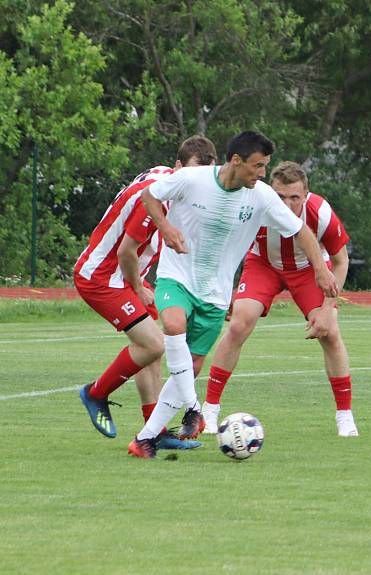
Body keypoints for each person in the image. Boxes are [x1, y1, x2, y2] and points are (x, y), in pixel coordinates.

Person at [127, 130, 338, 458]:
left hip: (215, 293)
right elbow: (150, 196)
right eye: (257, 165)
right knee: (173, 325)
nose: (262, 173)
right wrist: (166, 229)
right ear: (236, 161)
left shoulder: (262, 196)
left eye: (265, 166)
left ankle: (144, 439)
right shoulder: (192, 179)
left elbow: (301, 232)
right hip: (176, 276)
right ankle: (194, 408)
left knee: (193, 365)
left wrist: (321, 270)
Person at [75, 135, 218, 450]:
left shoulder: (167, 179)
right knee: (153, 345)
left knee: (153, 351)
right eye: (192, 175)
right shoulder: (157, 197)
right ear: (178, 166)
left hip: (123, 276)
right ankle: (96, 393)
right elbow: (127, 251)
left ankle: (155, 431)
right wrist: (139, 289)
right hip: (103, 277)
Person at [200, 161, 358, 437]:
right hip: (263, 265)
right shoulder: (253, 205)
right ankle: (209, 409)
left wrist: (327, 307)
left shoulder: (320, 212)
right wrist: (225, 289)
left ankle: (345, 416)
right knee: (239, 324)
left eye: (294, 197)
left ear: (305, 195)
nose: (286, 204)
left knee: (330, 332)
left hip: (308, 269)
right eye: (280, 196)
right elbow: (227, 245)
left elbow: (341, 261)